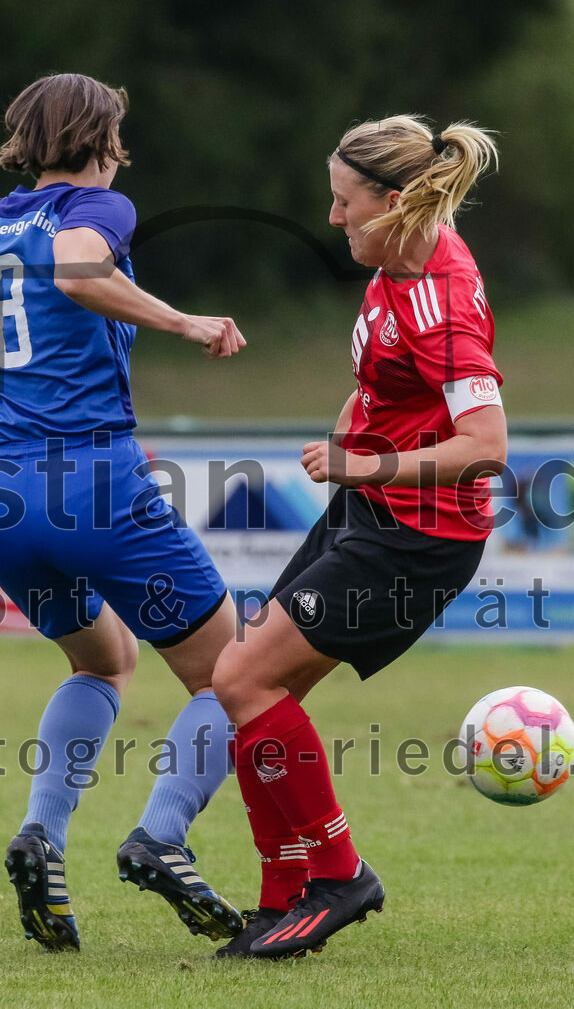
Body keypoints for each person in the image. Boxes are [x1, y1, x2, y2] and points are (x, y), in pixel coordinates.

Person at [0, 73, 247, 953]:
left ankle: (43, 834)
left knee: (105, 662)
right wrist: (183, 322)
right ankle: (161, 837)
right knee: (238, 676)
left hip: (1, 501)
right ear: (103, 140)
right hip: (94, 483)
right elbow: (74, 270)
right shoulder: (101, 209)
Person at [211, 115, 506, 959]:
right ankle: (284, 896)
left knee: (243, 678)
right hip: (373, 513)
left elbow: (485, 448)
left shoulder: (442, 303)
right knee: (253, 691)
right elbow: (382, 382)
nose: (333, 217)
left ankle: (339, 877)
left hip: (421, 537)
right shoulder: (400, 259)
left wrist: (364, 470)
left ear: (396, 202)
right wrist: (351, 439)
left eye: (345, 202)